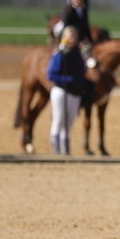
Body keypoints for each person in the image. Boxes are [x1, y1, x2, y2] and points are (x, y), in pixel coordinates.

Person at [47, 26, 88, 155]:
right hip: (61, 90)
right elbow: (51, 74)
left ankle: (66, 150)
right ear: (64, 38)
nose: (72, 39)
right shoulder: (60, 54)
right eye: (69, 36)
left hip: (75, 92)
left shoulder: (78, 54)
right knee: (58, 120)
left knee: (68, 124)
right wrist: (67, 79)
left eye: (74, 37)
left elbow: (82, 71)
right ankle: (56, 150)